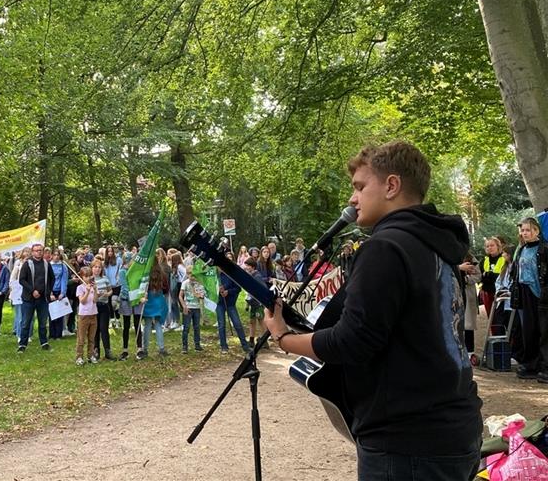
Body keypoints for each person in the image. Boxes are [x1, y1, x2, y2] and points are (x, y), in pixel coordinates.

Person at [264, 141, 482, 480]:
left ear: (392, 186)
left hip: (406, 441)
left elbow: (352, 341)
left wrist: (283, 338)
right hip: (455, 427)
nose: (353, 199)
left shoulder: (386, 247)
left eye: (360, 187)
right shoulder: (439, 247)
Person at [510, 216, 547, 382]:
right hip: (525, 293)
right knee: (529, 330)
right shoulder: (522, 250)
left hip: (542, 295)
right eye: (522, 230)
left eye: (527, 230)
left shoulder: (545, 248)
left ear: (536, 231)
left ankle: (546, 366)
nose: (524, 233)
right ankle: (532, 364)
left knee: (545, 331)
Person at [17, 243, 54, 353]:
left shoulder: (47, 264)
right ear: (32, 252)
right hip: (29, 298)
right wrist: (32, 290)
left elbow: (52, 279)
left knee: (43, 322)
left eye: (40, 250)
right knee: (26, 322)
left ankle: (44, 342)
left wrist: (47, 291)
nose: (38, 252)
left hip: (43, 299)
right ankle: (22, 344)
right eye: (36, 250)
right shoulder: (27, 264)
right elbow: (21, 280)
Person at [216, 252, 251, 354]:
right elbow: (211, 289)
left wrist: (228, 292)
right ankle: (223, 346)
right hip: (220, 303)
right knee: (221, 325)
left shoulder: (232, 275)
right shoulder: (216, 276)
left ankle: (245, 345)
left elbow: (238, 289)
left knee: (237, 324)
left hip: (230, 303)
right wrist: (218, 290)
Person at [138, 262, 169, 359]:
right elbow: (166, 288)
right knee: (158, 324)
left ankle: (145, 348)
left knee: (147, 325)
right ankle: (161, 348)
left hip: (148, 299)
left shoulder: (145, 274)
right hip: (158, 299)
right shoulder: (162, 274)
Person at [118, 252, 143, 360]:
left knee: (138, 324)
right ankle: (125, 349)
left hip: (137, 300)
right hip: (127, 300)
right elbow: (125, 288)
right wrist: (135, 297)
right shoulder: (122, 271)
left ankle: (139, 348)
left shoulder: (136, 270)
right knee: (126, 325)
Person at [75, 266, 98, 365]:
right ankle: (79, 357)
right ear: (82, 277)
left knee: (91, 338)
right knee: (81, 338)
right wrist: (87, 291)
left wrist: (95, 290)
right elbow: (82, 301)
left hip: (93, 314)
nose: (88, 278)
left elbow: (95, 300)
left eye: (89, 276)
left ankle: (91, 355)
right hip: (83, 316)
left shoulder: (92, 286)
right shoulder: (80, 288)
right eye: (86, 276)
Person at [92, 259, 114, 360]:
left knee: (103, 328)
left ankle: (107, 351)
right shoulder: (90, 280)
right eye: (95, 267)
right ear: (92, 268)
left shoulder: (105, 279)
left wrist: (107, 294)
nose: (97, 269)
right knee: (95, 330)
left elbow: (110, 291)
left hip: (104, 306)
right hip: (94, 307)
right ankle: (96, 351)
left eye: (99, 267)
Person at [179, 271, 205, 353]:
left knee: (196, 327)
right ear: (187, 274)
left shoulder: (199, 283)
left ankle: (197, 344)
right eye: (190, 275)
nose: (192, 277)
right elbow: (180, 296)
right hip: (188, 307)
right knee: (186, 327)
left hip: (196, 307)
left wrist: (201, 296)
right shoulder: (185, 283)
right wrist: (184, 306)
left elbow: (202, 295)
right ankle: (184, 346)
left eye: (194, 275)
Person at [479, 237, 505, 318]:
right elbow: (480, 277)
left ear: (498, 246)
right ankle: (493, 331)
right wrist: (490, 276)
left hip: (500, 292)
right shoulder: (484, 260)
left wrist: (488, 275)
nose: (490, 248)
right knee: (490, 317)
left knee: (500, 317)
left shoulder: (504, 258)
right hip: (487, 291)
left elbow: (502, 277)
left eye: (492, 245)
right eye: (487, 246)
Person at [48, 249, 68, 340]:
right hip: (51, 291)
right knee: (51, 313)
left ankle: (58, 334)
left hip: (59, 291)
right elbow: (47, 280)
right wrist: (50, 292)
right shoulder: (48, 265)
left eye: (57, 255)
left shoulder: (63, 266)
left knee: (60, 314)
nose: (56, 257)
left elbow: (64, 280)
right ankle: (52, 334)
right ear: (52, 255)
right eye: (54, 255)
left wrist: (62, 293)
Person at [9, 248, 28, 338]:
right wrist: (14, 289)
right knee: (20, 316)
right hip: (18, 293)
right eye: (25, 258)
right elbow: (12, 280)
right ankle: (19, 335)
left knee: (27, 316)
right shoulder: (17, 266)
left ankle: (27, 335)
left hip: (28, 293)